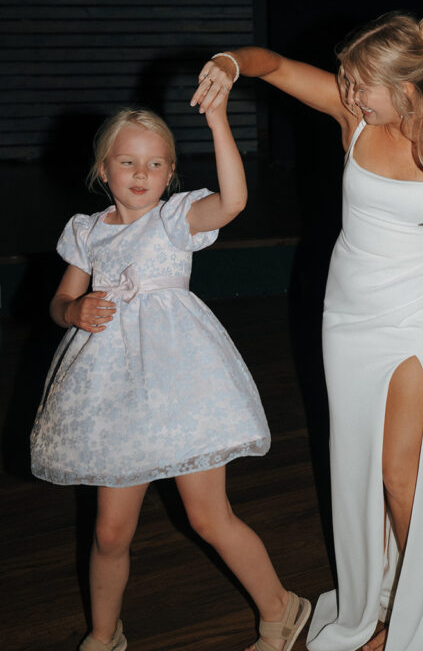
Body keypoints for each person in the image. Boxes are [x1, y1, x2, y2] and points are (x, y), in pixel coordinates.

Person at [195, 14, 423, 651]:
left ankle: (418, 623)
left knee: (399, 474)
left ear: (406, 85)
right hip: (350, 309)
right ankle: (382, 598)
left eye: (363, 84)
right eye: (348, 83)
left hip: (420, 310)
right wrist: (228, 61)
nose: (351, 93)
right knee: (359, 463)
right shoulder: (354, 117)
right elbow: (269, 65)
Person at [30, 96, 310, 651]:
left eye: (156, 163)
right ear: (102, 168)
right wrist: (73, 310)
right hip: (112, 389)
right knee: (110, 532)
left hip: (182, 386)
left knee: (208, 516)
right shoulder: (88, 231)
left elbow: (234, 200)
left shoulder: (174, 218)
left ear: (172, 172)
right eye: (127, 162)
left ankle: (282, 608)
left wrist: (217, 120)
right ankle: (105, 634)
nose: (141, 174)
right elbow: (60, 300)